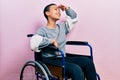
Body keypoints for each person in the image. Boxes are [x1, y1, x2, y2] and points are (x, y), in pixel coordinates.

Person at [31, 3, 97, 80]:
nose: (59, 12)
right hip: (49, 60)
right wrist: (50, 41)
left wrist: (67, 9)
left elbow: (73, 18)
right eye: (55, 9)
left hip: (62, 58)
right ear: (47, 13)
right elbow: (34, 43)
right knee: (76, 69)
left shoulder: (62, 27)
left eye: (59, 10)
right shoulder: (43, 30)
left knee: (88, 62)